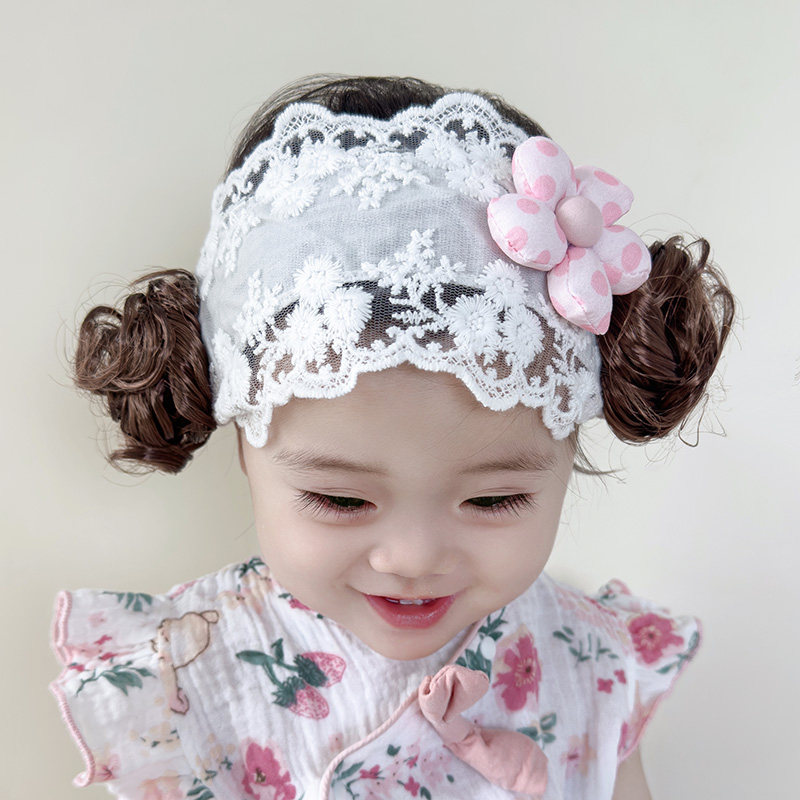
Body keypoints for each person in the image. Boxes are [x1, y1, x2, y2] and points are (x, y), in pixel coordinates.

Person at [49, 74, 735, 800]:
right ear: (246, 446)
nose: (413, 559)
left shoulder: (589, 667)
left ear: (567, 453)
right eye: (341, 500)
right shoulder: (193, 684)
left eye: (494, 500)